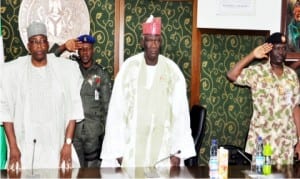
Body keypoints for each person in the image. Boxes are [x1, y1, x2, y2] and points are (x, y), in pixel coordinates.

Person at [100, 15, 195, 168]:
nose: (153, 45)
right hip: (132, 149)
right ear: (142, 42)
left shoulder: (172, 71)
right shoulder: (128, 69)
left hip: (163, 152)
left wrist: (177, 153)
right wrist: (118, 153)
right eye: (149, 40)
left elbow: (180, 114)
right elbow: (116, 112)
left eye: (157, 40)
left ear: (161, 42)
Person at [0, 21, 84, 170]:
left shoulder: (64, 70)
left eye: (42, 41)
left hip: (56, 147)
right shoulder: (13, 72)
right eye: (34, 42)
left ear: (47, 44)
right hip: (25, 150)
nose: (39, 45)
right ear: (28, 46)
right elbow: (5, 110)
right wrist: (13, 147)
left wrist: (67, 144)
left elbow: (73, 109)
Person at [227, 32, 300, 164]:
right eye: (277, 48)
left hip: (285, 142)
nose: (281, 52)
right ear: (269, 50)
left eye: (284, 48)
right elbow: (231, 75)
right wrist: (252, 55)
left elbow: (295, 108)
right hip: (262, 141)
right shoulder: (257, 72)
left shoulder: (292, 76)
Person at [54, 34, 112, 168]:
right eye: (82, 49)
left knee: (92, 172)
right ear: (77, 51)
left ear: (93, 50)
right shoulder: (70, 68)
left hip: (94, 133)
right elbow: (49, 59)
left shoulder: (101, 74)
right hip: (73, 132)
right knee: (74, 170)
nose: (85, 52)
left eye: (88, 49)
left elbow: (107, 107)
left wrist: (106, 136)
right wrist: (63, 47)